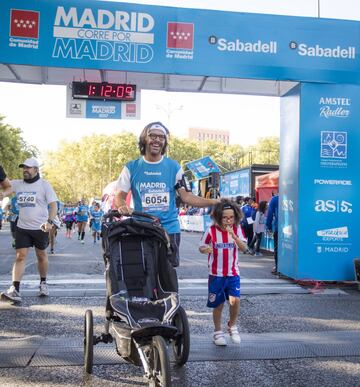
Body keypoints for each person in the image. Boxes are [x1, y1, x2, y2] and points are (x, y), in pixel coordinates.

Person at [115, 121, 220, 267]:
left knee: (167, 275)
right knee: (143, 273)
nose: (157, 139)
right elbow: (119, 196)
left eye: (161, 137)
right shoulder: (131, 167)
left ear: (165, 142)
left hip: (169, 229)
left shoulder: (174, 167)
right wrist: (122, 206)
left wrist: (214, 202)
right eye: (152, 135)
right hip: (142, 227)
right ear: (144, 138)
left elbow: (187, 197)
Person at [0, 158, 58, 303]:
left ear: (36, 170)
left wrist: (49, 222)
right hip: (22, 227)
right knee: (20, 256)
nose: (25, 170)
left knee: (41, 256)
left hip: (40, 227)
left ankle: (43, 283)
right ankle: (15, 289)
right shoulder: (17, 184)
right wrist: (2, 194)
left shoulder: (44, 185)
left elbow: (53, 206)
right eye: (23, 167)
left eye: (28, 168)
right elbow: (6, 189)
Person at [199, 199, 247, 346]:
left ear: (236, 217)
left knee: (235, 300)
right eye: (225, 217)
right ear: (219, 217)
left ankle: (232, 326)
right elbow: (201, 246)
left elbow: (244, 248)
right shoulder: (211, 230)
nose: (228, 220)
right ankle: (217, 332)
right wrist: (205, 249)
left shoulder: (237, 229)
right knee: (218, 304)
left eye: (231, 217)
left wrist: (234, 236)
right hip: (216, 275)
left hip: (233, 273)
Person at [266, 194, 279, 274]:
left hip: (279, 228)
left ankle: (278, 267)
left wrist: (269, 226)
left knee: (277, 248)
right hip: (295, 230)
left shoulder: (275, 199)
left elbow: (270, 214)